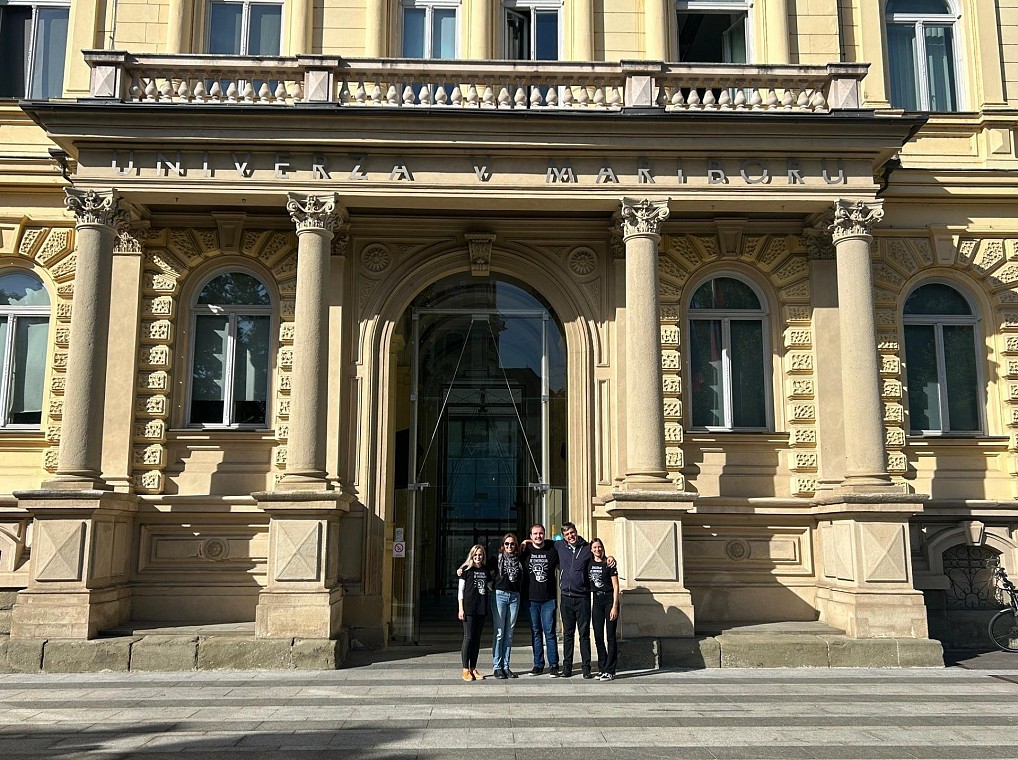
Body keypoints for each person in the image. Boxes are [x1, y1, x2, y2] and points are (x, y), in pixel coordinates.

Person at [553, 521, 595, 679]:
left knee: (584, 634)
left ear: (576, 532)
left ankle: (586, 668)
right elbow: (541, 543)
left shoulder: (587, 548)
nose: (570, 536)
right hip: (566, 597)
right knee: (568, 634)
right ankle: (567, 668)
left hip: (582, 597)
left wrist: (610, 558)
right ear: (563, 537)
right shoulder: (559, 546)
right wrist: (526, 541)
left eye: (572, 532)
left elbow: (600, 556)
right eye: (567, 534)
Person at [520, 523, 559, 676]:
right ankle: (538, 665)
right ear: (531, 536)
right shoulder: (525, 551)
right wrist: (526, 542)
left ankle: (554, 665)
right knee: (536, 632)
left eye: (541, 533)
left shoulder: (552, 549)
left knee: (549, 632)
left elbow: (566, 543)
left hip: (549, 599)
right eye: (535, 534)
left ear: (545, 534)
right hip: (531, 600)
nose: (538, 536)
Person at [490, 532, 523, 679]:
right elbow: (478, 564)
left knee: (509, 634)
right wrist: (462, 569)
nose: (509, 546)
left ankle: (506, 666)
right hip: (500, 595)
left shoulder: (520, 559)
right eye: (507, 543)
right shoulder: (496, 559)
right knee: (499, 633)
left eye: (512, 544)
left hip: (514, 596)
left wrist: (527, 541)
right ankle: (497, 667)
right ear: (502, 545)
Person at [457, 544, 490, 681]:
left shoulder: (486, 570)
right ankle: (465, 669)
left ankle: (473, 668)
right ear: (471, 555)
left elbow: (490, 586)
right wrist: (461, 608)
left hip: (481, 608)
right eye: (475, 554)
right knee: (468, 637)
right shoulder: (466, 570)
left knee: (477, 639)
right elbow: (460, 591)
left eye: (480, 554)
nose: (478, 557)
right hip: (469, 608)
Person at [589, 537, 620, 680]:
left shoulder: (609, 563)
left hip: (609, 601)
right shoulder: (589, 563)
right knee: (598, 636)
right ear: (591, 550)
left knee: (610, 636)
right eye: (595, 547)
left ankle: (610, 670)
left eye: (599, 547)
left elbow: (616, 586)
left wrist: (614, 606)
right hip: (597, 601)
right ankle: (602, 667)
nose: (597, 549)